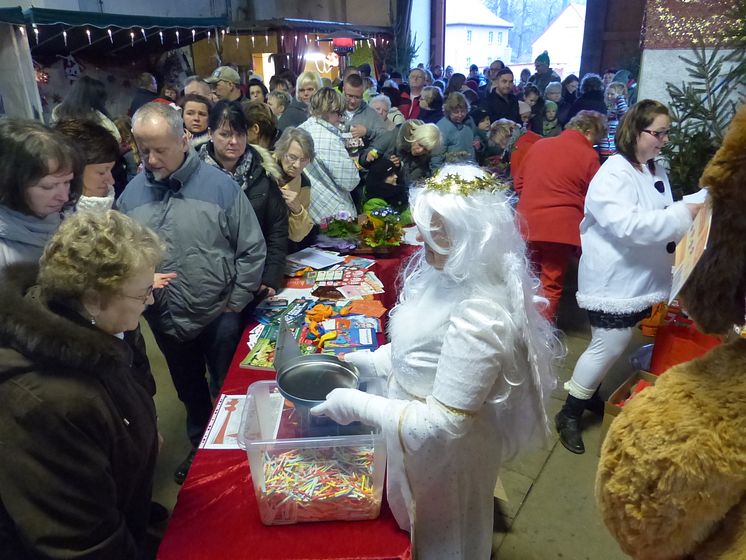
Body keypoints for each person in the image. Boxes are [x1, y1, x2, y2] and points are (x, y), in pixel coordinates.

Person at [311, 163, 557, 559]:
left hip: (448, 457)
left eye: (436, 236)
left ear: (470, 239)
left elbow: (444, 424)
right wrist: (366, 362)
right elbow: (421, 351)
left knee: (445, 536)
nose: (423, 246)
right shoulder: (446, 275)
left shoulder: (481, 314)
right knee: (417, 515)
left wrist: (353, 403)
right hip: (417, 443)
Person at [0, 209, 163, 559]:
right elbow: (83, 543)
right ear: (93, 299)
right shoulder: (48, 403)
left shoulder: (102, 331)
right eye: (142, 293)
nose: (150, 300)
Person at [118, 102, 266, 483]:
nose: (150, 159)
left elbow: (251, 248)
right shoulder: (130, 198)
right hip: (166, 317)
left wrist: (235, 302)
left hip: (220, 314)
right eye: (142, 149)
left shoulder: (222, 188)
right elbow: (124, 258)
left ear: (183, 139)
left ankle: (234, 456)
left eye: (159, 149)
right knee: (188, 391)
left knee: (227, 388)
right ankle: (201, 450)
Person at [556, 100, 700, 454]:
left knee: (610, 345)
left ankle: (589, 395)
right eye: (658, 133)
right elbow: (630, 226)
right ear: (635, 131)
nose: (664, 140)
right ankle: (569, 411)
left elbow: (661, 214)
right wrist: (685, 211)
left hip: (637, 278)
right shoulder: (613, 174)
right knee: (610, 345)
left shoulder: (652, 169)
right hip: (614, 280)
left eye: (667, 132)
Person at [515, 111, 607, 321]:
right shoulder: (589, 156)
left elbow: (519, 183)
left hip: (527, 223)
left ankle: (519, 326)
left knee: (526, 278)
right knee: (551, 283)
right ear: (589, 131)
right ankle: (541, 334)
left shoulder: (540, 145)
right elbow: (594, 196)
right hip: (560, 230)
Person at [199, 100, 288, 297]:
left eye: (240, 134)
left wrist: (271, 278)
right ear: (210, 133)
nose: (234, 141)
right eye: (225, 134)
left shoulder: (262, 171)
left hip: (257, 278)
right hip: (211, 286)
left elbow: (277, 229)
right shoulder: (194, 175)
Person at [0, 119, 82, 267]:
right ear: (9, 184)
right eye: (48, 187)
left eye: (67, 182)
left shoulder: (69, 217)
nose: (64, 196)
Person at [297, 87, 360, 222]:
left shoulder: (301, 129)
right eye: (339, 113)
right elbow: (350, 181)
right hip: (334, 214)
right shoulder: (327, 139)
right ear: (328, 110)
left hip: (309, 210)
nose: (341, 118)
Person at [54, 119, 121, 213]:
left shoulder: (111, 207)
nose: (111, 181)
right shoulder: (52, 222)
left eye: (111, 170)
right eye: (101, 172)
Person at [273, 127, 317, 252]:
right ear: (282, 151)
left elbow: (297, 236)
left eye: (303, 160)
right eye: (292, 157)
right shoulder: (261, 168)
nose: (297, 165)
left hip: (280, 247)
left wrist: (297, 210)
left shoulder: (303, 184)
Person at [52, 75, 121, 142]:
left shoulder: (58, 115)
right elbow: (116, 138)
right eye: (102, 98)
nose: (104, 103)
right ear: (94, 99)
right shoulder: (97, 119)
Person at [387, 120, 442, 185]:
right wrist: (387, 163)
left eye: (425, 149)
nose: (420, 150)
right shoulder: (393, 138)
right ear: (414, 137)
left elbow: (414, 178)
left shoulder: (424, 158)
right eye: (420, 144)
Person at [434, 92, 476, 168]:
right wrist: (437, 173)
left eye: (463, 111)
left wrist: (479, 146)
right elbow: (436, 156)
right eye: (456, 112)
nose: (460, 115)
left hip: (469, 167)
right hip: (450, 171)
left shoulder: (469, 122)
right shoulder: (442, 127)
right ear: (449, 111)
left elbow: (475, 140)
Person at [599, 81, 629, 161]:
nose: (609, 96)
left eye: (612, 94)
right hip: (604, 149)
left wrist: (620, 98)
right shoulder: (609, 108)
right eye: (608, 93)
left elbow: (624, 113)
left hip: (613, 150)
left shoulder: (620, 109)